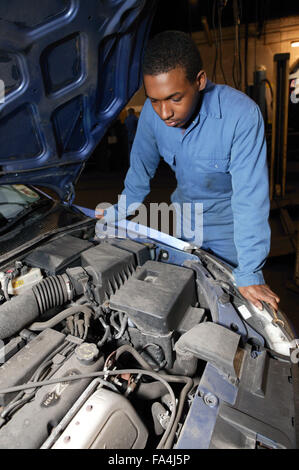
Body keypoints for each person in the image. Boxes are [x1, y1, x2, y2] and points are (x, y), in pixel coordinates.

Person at [97, 30, 280, 312]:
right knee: (183, 304)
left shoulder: (241, 116)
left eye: (174, 98)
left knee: (234, 310)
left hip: (229, 231)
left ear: (200, 81)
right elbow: (139, 173)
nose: (164, 112)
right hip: (183, 224)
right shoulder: (151, 113)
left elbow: (250, 199)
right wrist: (117, 211)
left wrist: (249, 271)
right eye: (154, 100)